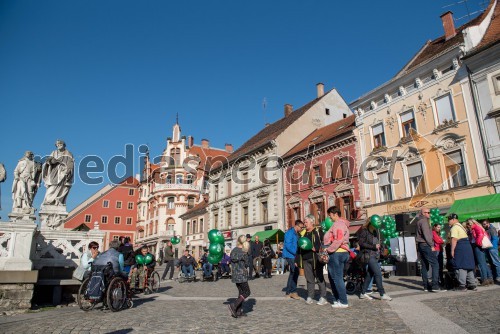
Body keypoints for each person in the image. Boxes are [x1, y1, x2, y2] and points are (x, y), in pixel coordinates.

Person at [357, 218, 392, 301]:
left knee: (370, 274)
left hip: (375, 255)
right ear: (371, 223)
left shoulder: (375, 232)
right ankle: (382, 294)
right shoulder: (364, 231)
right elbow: (361, 243)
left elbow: (376, 242)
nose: (377, 226)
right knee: (378, 273)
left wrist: (380, 246)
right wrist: (373, 246)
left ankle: (363, 292)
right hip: (368, 255)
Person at [324, 206, 350, 308]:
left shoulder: (338, 224)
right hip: (342, 252)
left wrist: (329, 249)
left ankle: (343, 301)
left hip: (337, 252)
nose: (329, 218)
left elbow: (338, 239)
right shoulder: (342, 224)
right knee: (334, 277)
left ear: (335, 214)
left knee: (337, 278)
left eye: (330, 215)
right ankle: (339, 299)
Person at [298, 215, 328, 305]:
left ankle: (323, 296)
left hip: (316, 258)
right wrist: (297, 261)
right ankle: (310, 296)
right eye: (304, 222)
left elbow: (324, 243)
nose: (304, 224)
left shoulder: (318, 232)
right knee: (309, 279)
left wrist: (317, 248)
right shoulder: (303, 233)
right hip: (306, 258)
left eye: (306, 222)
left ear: (312, 222)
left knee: (319, 278)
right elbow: (299, 246)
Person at [415, 207, 442, 292]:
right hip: (426, 245)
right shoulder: (424, 221)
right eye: (427, 212)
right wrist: (431, 245)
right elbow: (427, 234)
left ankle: (426, 286)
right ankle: (435, 285)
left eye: (429, 212)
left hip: (420, 245)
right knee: (435, 264)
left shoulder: (419, 221)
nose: (429, 214)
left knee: (424, 265)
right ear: (423, 213)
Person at [448, 214, 477, 291]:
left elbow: (454, 239)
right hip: (467, 247)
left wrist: (452, 250)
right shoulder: (461, 226)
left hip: (460, 247)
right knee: (469, 266)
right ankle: (472, 284)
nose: (448, 222)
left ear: (453, 219)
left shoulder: (454, 227)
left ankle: (462, 285)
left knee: (460, 266)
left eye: (449, 220)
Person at [42, 140, 74, 206]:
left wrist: (68, 171)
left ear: (64, 145)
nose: (58, 145)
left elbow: (71, 164)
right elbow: (48, 161)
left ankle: (58, 201)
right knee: (52, 186)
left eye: (60, 143)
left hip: (64, 172)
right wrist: (51, 161)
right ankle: (49, 201)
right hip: (54, 172)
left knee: (63, 187)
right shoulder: (54, 152)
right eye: (57, 144)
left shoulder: (68, 153)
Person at [228, 235, 251, 318]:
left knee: (241, 292)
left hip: (235, 275)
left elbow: (231, 260)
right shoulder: (244, 251)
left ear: (238, 241)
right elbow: (247, 264)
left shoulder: (233, 250)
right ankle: (234, 305)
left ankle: (238, 311)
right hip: (242, 275)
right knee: (247, 292)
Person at [465, 218, 493, 286]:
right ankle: (490, 278)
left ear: (471, 223)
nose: (468, 226)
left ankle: (484, 279)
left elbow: (480, 235)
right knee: (484, 263)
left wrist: (477, 243)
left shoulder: (476, 227)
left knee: (481, 264)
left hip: (478, 246)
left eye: (468, 224)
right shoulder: (477, 227)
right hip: (479, 246)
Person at [283, 220, 303, 300]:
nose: (301, 229)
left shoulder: (296, 233)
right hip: (290, 255)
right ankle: (293, 292)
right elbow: (288, 245)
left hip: (293, 255)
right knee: (295, 272)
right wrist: (296, 253)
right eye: (301, 227)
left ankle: (288, 292)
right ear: (297, 226)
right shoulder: (290, 233)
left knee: (292, 273)